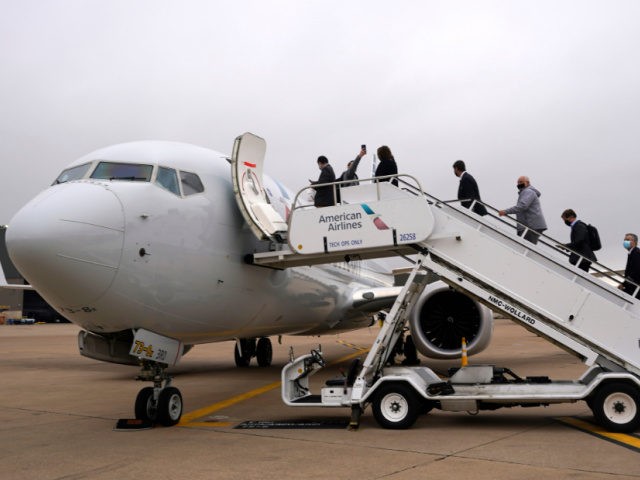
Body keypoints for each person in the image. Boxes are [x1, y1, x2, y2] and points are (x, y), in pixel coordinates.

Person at [498, 175, 547, 244]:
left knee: (525, 247)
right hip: (531, 225)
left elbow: (522, 206)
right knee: (527, 247)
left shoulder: (528, 192)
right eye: (518, 183)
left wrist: (505, 211)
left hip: (530, 225)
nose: (519, 184)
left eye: (521, 182)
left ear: (528, 183)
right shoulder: (526, 192)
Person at [620, 233, 640, 299]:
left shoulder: (636, 253)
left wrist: (624, 284)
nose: (625, 242)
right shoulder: (632, 252)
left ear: (634, 242)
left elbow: (636, 270)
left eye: (627, 240)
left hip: (634, 286)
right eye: (624, 240)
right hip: (632, 285)